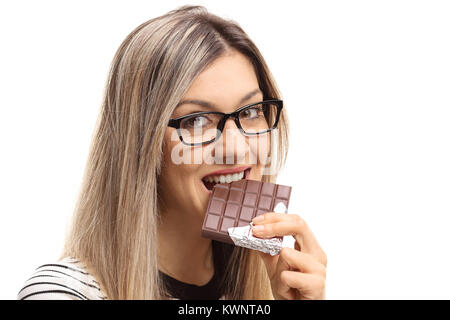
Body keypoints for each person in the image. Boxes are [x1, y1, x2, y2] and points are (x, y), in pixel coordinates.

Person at [17, 5, 327, 300]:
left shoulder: (267, 286)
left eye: (249, 112)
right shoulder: (64, 292)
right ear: (141, 143)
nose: (235, 149)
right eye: (196, 120)